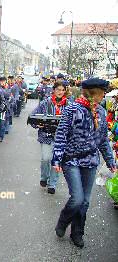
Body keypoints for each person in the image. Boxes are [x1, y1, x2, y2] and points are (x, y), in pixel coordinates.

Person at [52, 78, 116, 248]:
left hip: (91, 161)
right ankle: (63, 221)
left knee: (85, 201)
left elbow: (103, 140)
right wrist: (57, 158)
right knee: (77, 198)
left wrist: (110, 161)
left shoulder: (101, 112)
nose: (104, 96)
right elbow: (61, 135)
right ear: (93, 92)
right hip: (71, 159)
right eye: (102, 93)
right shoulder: (73, 109)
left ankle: (77, 233)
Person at [30, 81, 69, 194]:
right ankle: (44, 177)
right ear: (54, 90)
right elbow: (33, 116)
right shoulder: (45, 103)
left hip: (61, 137)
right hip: (46, 135)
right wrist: (37, 124)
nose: (60, 92)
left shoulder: (69, 105)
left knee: (57, 160)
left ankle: (52, 184)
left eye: (62, 90)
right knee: (46, 158)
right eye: (58, 89)